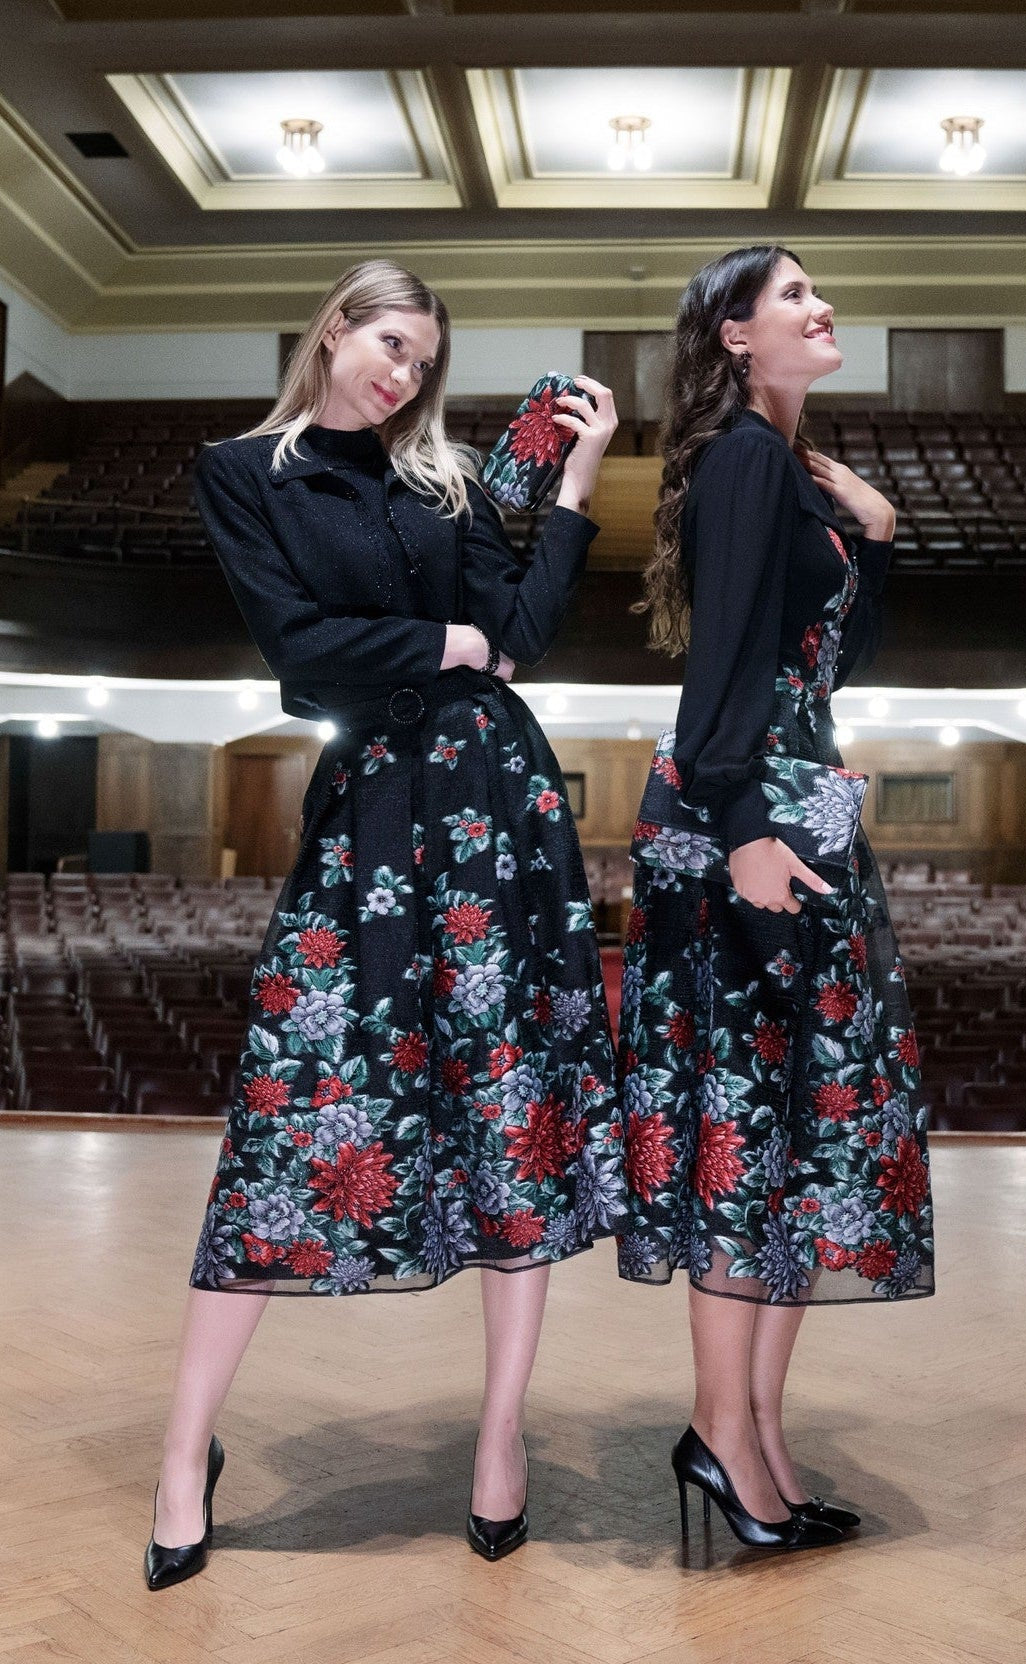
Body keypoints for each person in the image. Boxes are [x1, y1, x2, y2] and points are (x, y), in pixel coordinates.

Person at [145, 258, 626, 1588]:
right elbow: (301, 654)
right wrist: (451, 645)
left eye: (423, 362)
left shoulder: (454, 479)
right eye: (390, 345)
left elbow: (525, 629)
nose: (403, 377)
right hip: (371, 811)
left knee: (512, 1111)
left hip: (501, 812)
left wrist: (572, 493)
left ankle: (501, 1435)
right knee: (296, 1109)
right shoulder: (243, 471)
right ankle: (186, 1450)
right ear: (338, 328)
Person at [617, 244, 935, 1552]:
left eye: (821, 288)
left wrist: (875, 531)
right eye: (793, 293)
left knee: (793, 1138)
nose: (822, 305)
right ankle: (722, 1432)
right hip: (747, 813)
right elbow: (724, 668)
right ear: (736, 336)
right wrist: (744, 826)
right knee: (747, 1131)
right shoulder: (743, 461)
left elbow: (823, 660)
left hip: (803, 800)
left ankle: (758, 1431)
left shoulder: (792, 472)